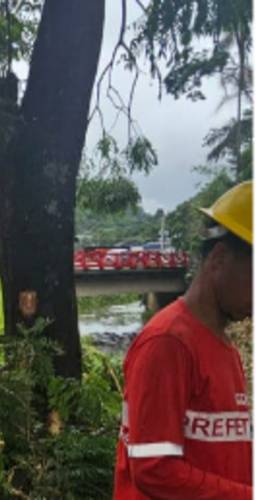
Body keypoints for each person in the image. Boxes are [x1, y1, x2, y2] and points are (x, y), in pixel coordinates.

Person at [113, 180, 252, 499]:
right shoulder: (168, 343)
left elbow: (225, 450)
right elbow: (153, 468)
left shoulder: (223, 345)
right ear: (218, 259)